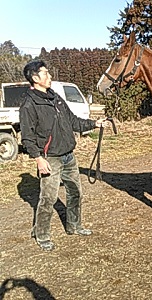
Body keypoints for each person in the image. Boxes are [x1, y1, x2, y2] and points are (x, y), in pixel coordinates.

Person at [19, 60, 106, 251]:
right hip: (50, 158)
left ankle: (74, 226)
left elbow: (73, 120)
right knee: (48, 198)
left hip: (68, 155)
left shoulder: (55, 97)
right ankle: (42, 235)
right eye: (46, 73)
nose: (50, 76)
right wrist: (38, 158)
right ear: (35, 78)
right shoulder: (29, 104)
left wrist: (94, 124)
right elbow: (27, 136)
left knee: (76, 192)